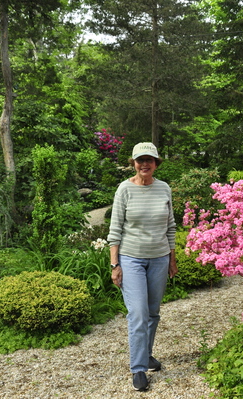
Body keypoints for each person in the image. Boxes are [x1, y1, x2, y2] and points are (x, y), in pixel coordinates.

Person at [107, 142, 177, 392]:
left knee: (152, 312)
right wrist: (115, 264)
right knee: (137, 313)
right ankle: (138, 368)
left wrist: (172, 258)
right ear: (133, 163)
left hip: (159, 258)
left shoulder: (164, 188)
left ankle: (146, 355)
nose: (145, 164)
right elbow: (115, 229)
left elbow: (170, 226)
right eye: (140, 160)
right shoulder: (124, 189)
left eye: (149, 160)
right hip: (131, 259)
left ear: (156, 163)